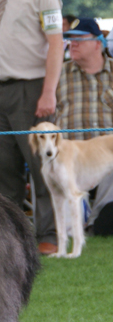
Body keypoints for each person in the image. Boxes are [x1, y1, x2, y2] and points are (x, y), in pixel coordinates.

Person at [0, 0, 63, 256]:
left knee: (42, 165)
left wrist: (48, 91)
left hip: (31, 89)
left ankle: (49, 234)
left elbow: (55, 43)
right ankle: (10, 238)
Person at [56, 18, 113, 235]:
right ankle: (84, 222)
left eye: (79, 38)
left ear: (98, 43)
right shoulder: (57, 74)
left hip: (107, 155)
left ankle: (99, 219)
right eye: (70, 39)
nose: (73, 43)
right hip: (70, 156)